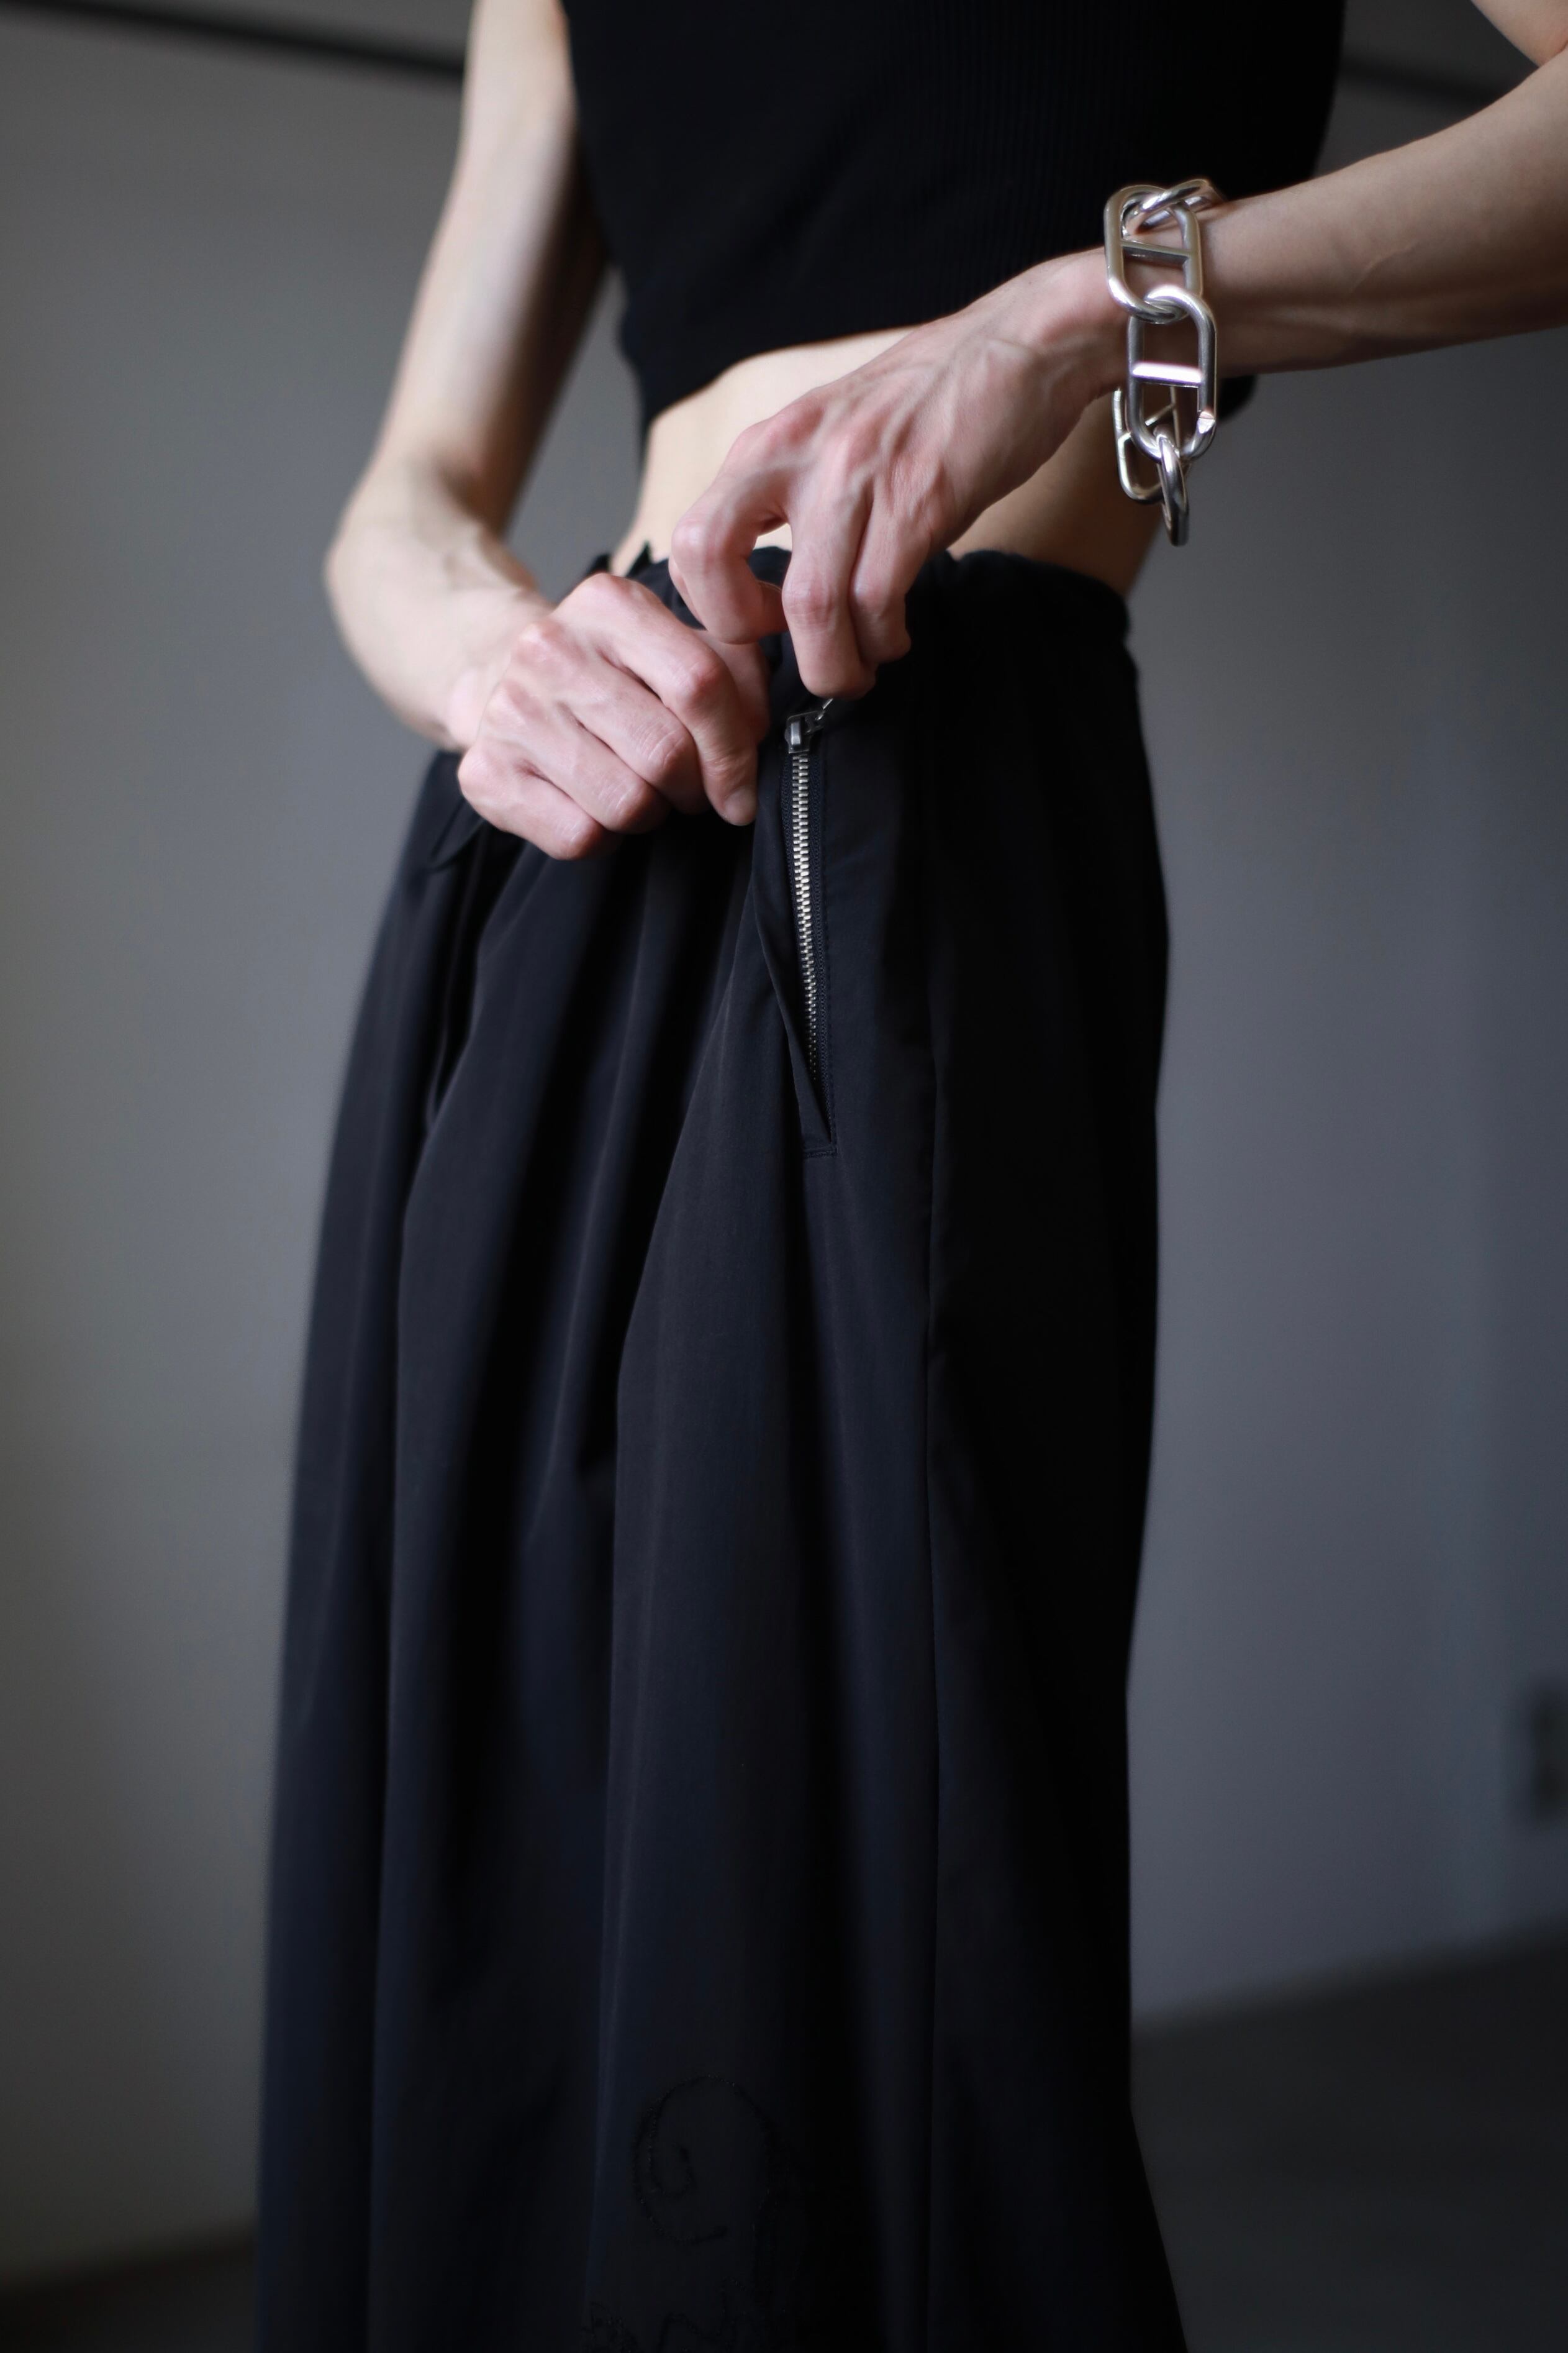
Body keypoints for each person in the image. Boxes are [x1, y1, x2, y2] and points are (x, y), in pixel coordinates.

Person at [257, 5, 1568, 2347]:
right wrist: (488, 660)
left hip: (910, 810)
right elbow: (402, 499)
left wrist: (1084, 310)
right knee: (489, 1896)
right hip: (552, 830)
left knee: (873, 1907)